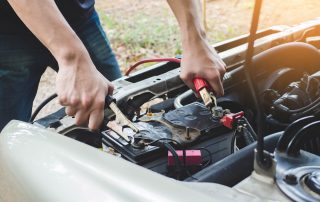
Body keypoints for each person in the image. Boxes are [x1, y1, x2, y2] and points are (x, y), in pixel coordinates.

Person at [0, 0, 226, 131]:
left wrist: (196, 38)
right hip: (7, 32)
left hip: (78, 15)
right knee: (7, 137)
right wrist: (73, 57)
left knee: (119, 111)